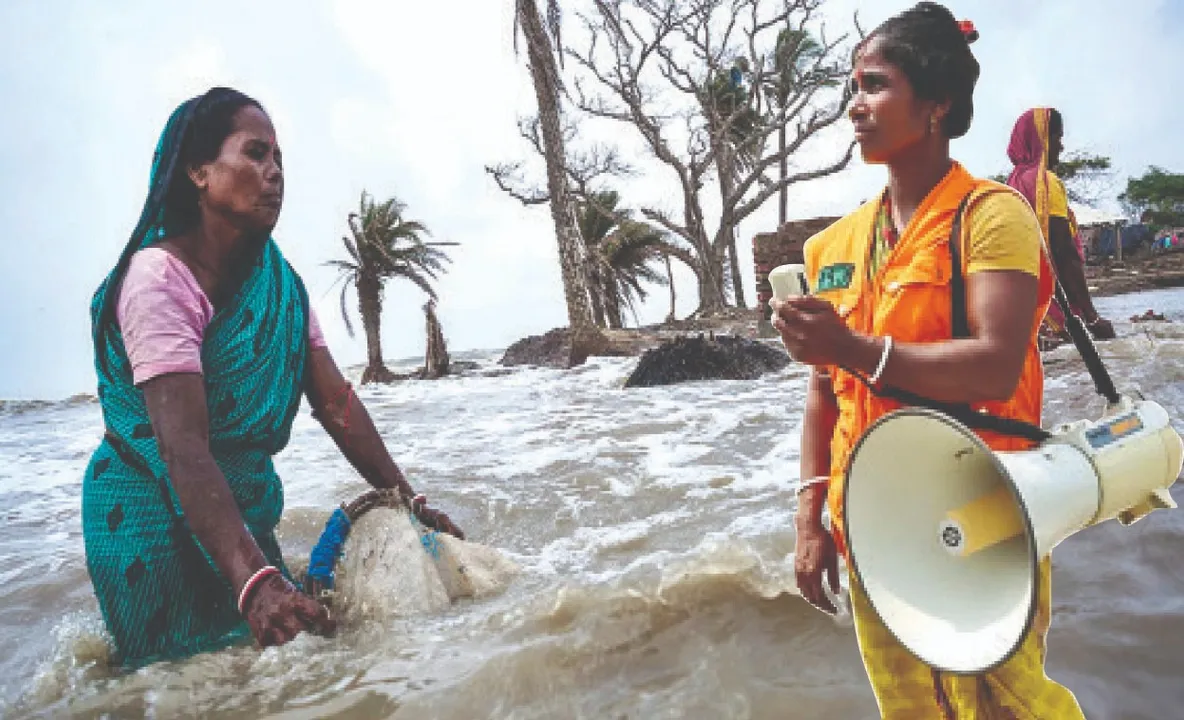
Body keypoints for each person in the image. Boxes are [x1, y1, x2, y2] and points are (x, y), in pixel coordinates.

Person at [770, 4, 1085, 717]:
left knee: (1012, 701)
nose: (856, 104)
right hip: (876, 525)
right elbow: (826, 393)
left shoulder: (991, 215)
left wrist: (850, 347)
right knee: (913, 707)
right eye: (852, 86)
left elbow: (996, 365)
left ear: (937, 103)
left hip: (986, 508)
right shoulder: (832, 247)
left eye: (875, 84)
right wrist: (810, 518)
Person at [83, 87, 464, 669]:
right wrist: (253, 580)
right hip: (146, 518)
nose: (274, 172)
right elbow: (181, 446)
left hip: (234, 512)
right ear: (199, 171)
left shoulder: (277, 283)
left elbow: (336, 403)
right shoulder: (159, 280)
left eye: (279, 159)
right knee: (175, 686)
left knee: (285, 662)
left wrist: (407, 499)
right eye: (255, 154)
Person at [1006, 107, 1116, 349]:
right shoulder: (1047, 183)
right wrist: (1092, 318)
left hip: (1022, 316)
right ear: (1042, 139)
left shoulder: (1011, 185)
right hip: (1053, 311)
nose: (1061, 147)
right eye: (1058, 137)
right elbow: (1063, 253)